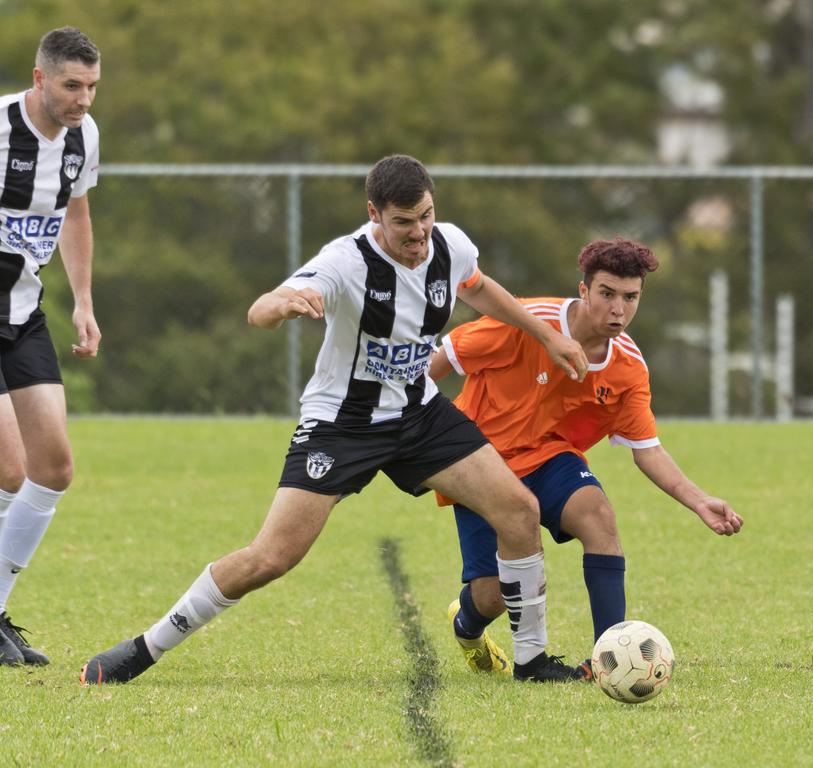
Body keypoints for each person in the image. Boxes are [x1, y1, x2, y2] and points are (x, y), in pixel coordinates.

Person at [81, 154, 589, 684]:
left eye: (425, 216)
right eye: (403, 223)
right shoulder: (346, 262)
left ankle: (531, 661)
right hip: (343, 425)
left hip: (420, 413)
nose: (418, 233)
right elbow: (261, 308)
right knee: (273, 556)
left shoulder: (449, 244)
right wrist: (282, 305)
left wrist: (548, 334)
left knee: (519, 511)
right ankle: (146, 647)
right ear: (375, 214)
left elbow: (479, 287)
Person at [430, 237, 744, 679]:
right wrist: (419, 426)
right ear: (584, 290)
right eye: (607, 294)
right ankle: (467, 623)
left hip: (550, 458)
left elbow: (647, 450)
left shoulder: (628, 366)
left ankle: (609, 660)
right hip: (481, 460)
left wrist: (699, 501)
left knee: (598, 515)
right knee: (493, 595)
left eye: (630, 297)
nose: (619, 308)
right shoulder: (528, 322)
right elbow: (441, 360)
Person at [0, 27, 102, 667]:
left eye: (92, 87)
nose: (83, 99)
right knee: (8, 468)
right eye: (72, 86)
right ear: (40, 79)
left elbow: (76, 215)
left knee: (53, 468)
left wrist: (85, 302)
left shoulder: (85, 136)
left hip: (23, 314)